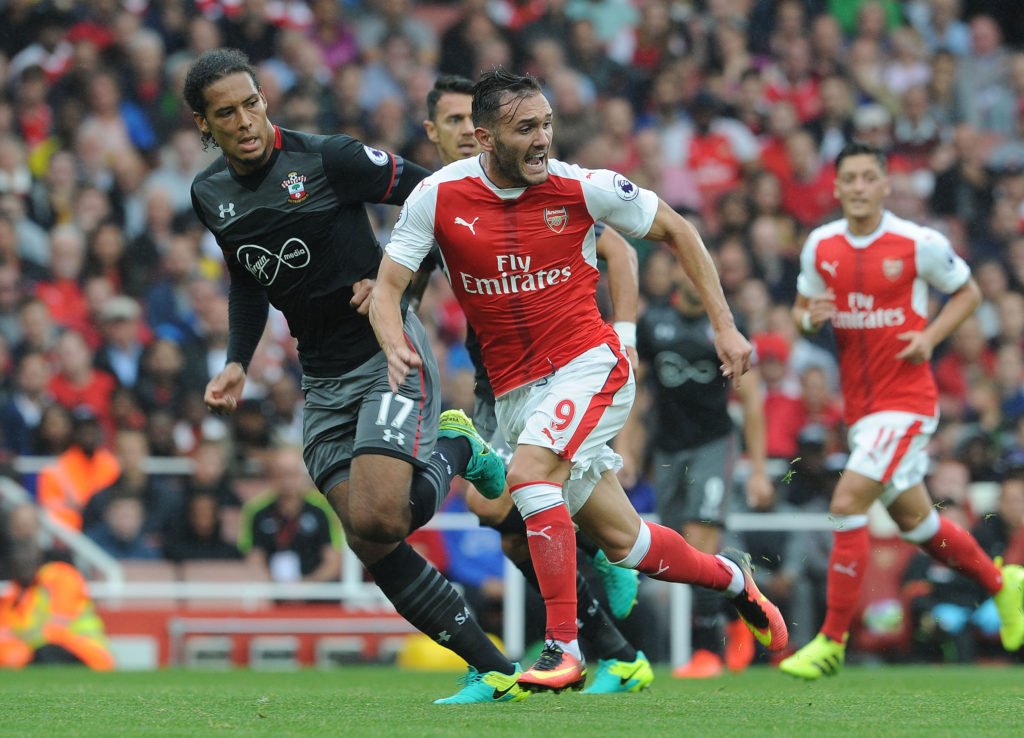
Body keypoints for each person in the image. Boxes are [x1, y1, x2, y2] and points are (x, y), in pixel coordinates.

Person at [369, 68, 788, 693]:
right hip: (515, 392)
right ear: (484, 138)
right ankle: (733, 580)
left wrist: (724, 327)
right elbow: (386, 290)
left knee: (529, 476)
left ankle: (562, 649)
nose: (543, 139)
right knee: (627, 543)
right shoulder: (438, 195)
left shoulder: (583, 187)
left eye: (547, 124)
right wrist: (393, 343)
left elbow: (680, 230)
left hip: (589, 365)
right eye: (525, 129)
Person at [184, 48, 526, 704]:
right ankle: (493, 668)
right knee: (369, 539)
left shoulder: (326, 158)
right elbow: (247, 280)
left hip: (385, 354)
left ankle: (458, 448)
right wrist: (236, 359)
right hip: (321, 377)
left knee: (381, 515)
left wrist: (397, 276)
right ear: (205, 124)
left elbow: (437, 195)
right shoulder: (211, 195)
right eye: (226, 113)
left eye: (252, 102)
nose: (246, 120)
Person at [418, 74, 652, 693]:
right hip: (496, 372)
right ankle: (611, 649)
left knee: (492, 502)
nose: (466, 134)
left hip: (554, 362)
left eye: (472, 123)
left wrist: (624, 336)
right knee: (514, 529)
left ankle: (545, 648)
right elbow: (407, 282)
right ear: (439, 133)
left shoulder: (542, 187)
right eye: (452, 124)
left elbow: (620, 252)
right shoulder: (436, 195)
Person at [780, 140, 1024, 679]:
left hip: (908, 404)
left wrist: (930, 337)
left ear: (886, 185)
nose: (861, 187)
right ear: (838, 186)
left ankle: (832, 640)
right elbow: (801, 311)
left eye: (871, 177)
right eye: (852, 178)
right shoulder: (820, 246)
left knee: (847, 500)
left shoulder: (919, 243)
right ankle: (1002, 583)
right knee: (915, 523)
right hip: (862, 413)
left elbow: (968, 293)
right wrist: (807, 321)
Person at [618, 257, 773, 679]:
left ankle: (708, 653)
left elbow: (752, 399)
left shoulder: (727, 323)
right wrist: (626, 449)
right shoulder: (654, 323)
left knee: (703, 540)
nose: (689, 274)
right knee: (678, 553)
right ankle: (737, 599)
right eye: (682, 267)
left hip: (713, 444)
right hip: (666, 448)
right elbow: (633, 389)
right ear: (673, 273)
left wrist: (758, 469)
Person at [0, 504, 114, 670]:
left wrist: (23, 654)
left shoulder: (61, 576)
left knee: (47, 651)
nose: (23, 563)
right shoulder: (14, 594)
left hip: (86, 654)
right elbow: (5, 638)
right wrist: (18, 658)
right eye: (18, 559)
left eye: (28, 557)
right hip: (42, 657)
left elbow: (57, 630)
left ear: (39, 556)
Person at [237, 446, 342, 585]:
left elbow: (333, 561)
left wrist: (306, 585)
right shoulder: (256, 510)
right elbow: (254, 559)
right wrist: (277, 588)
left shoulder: (322, 509)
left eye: (292, 474)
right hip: (270, 593)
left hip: (316, 593)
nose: (287, 480)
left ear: (302, 475)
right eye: (281, 474)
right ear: (271, 476)